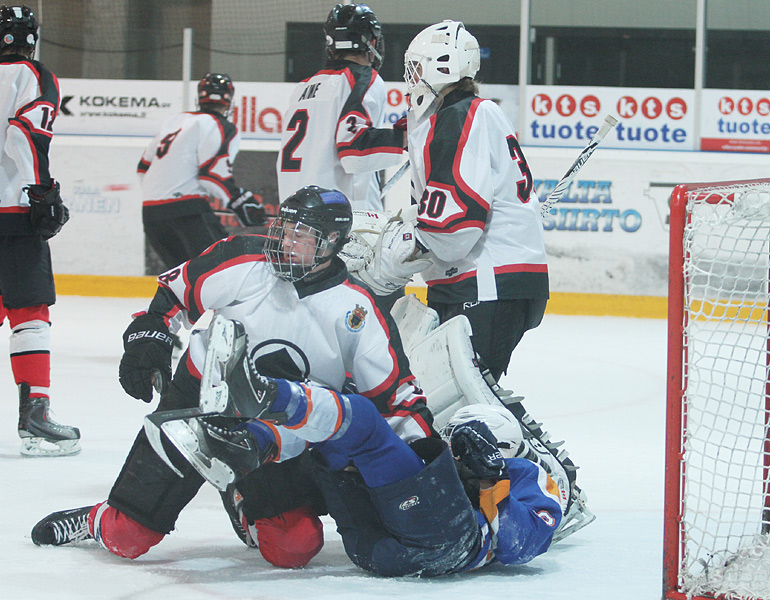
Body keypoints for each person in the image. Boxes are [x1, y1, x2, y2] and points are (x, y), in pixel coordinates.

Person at [30, 186, 434, 569]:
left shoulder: (356, 309)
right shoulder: (244, 258)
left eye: (301, 236)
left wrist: (426, 458)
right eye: (283, 229)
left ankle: (237, 492)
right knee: (128, 537)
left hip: (277, 429)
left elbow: (395, 398)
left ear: (331, 242)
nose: (284, 242)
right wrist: (149, 338)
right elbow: (173, 295)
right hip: (199, 400)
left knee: (293, 547)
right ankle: (97, 519)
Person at [139, 319, 563, 576]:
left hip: (448, 541)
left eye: (467, 445)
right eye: (454, 440)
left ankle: (264, 398)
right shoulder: (459, 465)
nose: (453, 450)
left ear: (507, 448)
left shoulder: (532, 477)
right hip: (376, 550)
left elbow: (522, 544)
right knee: (332, 441)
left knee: (359, 419)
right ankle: (242, 445)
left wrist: (490, 479)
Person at [351, 20, 549, 383]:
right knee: (449, 399)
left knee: (460, 403)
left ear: (443, 65)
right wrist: (406, 223)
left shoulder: (462, 116)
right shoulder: (451, 116)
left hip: (487, 280)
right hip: (480, 279)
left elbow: (455, 228)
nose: (411, 76)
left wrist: (389, 261)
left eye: (417, 66)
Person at [0, 5, 79, 457]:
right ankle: (35, 416)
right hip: (12, 211)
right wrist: (41, 190)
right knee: (30, 311)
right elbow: (23, 133)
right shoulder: (33, 74)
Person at [276, 3, 405, 211]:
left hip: (293, 214)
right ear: (371, 42)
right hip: (337, 216)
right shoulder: (363, 78)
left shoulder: (302, 87)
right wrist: (407, 137)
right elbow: (354, 150)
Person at [137, 72, 267, 271]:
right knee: (224, 270)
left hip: (151, 214)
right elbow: (211, 177)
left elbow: (142, 168)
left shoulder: (175, 121)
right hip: (187, 212)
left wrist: (163, 193)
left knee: (182, 282)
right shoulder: (221, 126)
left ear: (200, 97)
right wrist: (238, 200)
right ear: (229, 101)